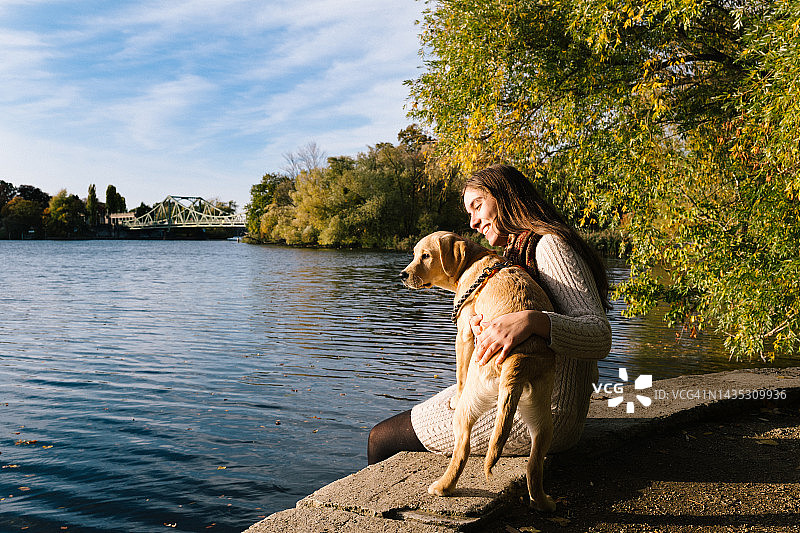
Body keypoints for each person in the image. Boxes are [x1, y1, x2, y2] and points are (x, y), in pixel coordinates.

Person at [367, 164, 612, 464]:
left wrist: (531, 320)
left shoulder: (549, 245)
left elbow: (599, 335)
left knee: (382, 438)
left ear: (505, 198)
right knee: (395, 427)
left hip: (546, 410)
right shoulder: (514, 253)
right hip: (515, 388)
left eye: (477, 206)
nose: (472, 222)